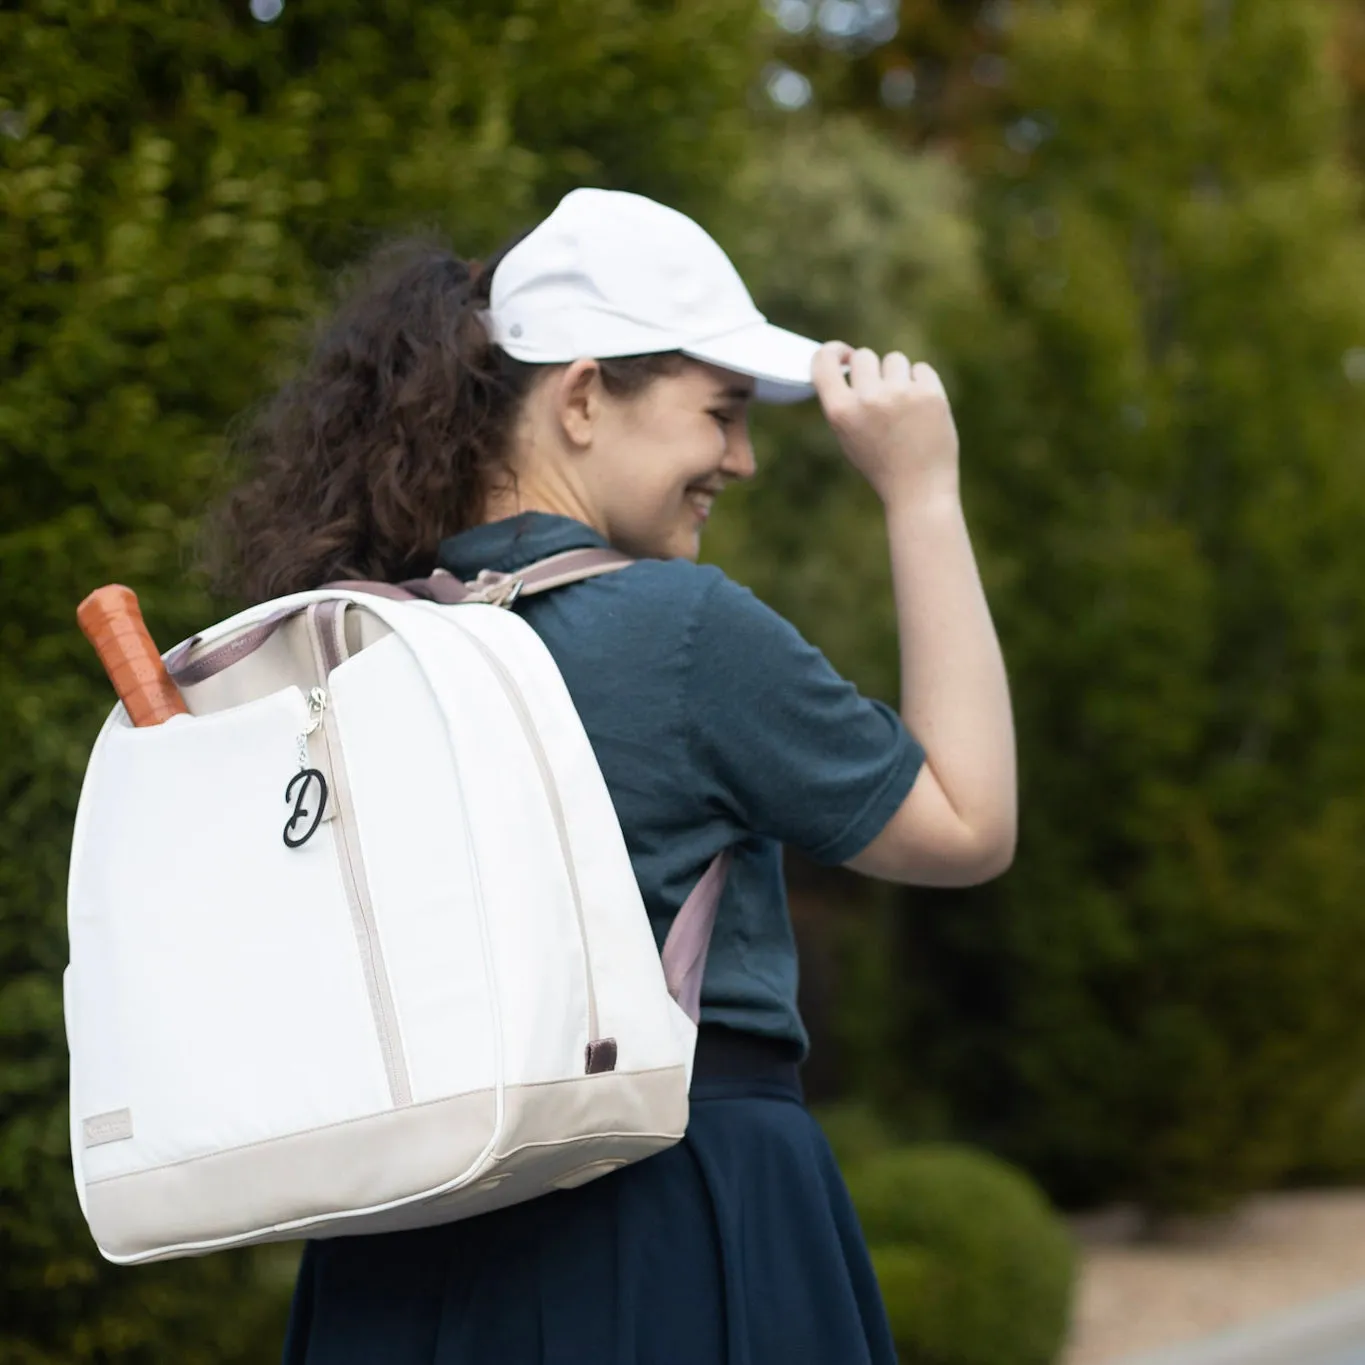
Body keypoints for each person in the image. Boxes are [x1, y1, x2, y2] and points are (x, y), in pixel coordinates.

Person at [206, 188, 1016, 1365]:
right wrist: (923, 494)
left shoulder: (347, 647)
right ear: (583, 397)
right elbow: (969, 821)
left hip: (398, 1249)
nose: (739, 458)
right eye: (721, 412)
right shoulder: (677, 632)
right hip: (672, 1216)